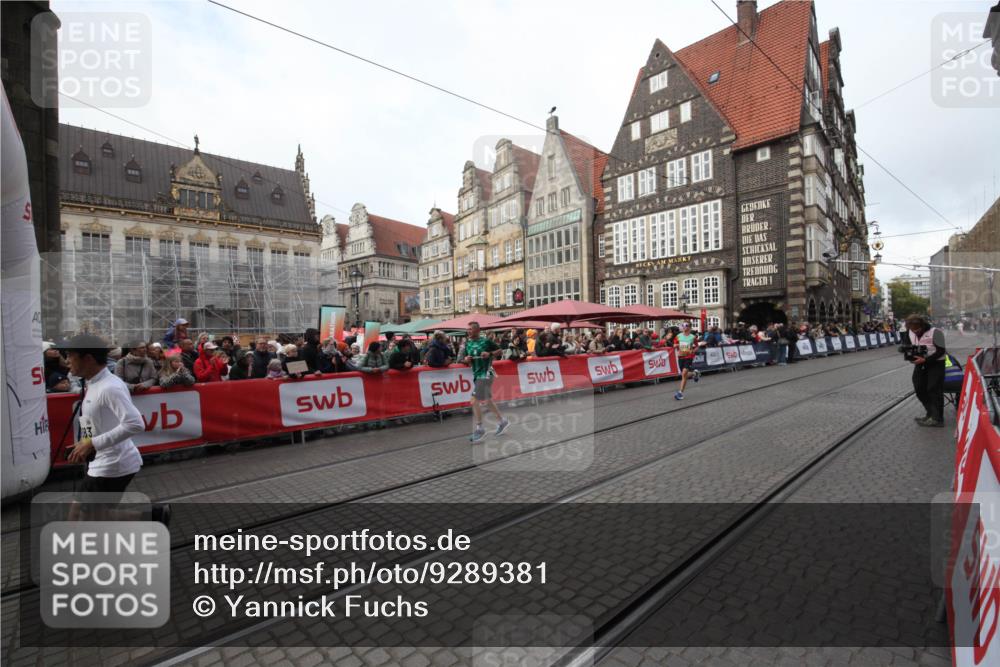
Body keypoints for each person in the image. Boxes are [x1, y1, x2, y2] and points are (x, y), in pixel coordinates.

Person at [59, 333, 166, 523]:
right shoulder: (92, 383)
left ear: (88, 358)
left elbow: (135, 424)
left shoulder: (111, 387)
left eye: (70, 355)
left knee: (79, 519)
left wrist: (92, 443)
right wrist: (84, 445)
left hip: (113, 465)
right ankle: (153, 517)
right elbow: (89, 419)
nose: (67, 361)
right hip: (103, 461)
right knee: (92, 516)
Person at [463, 321, 509, 443]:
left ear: (477, 330)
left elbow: (500, 350)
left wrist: (489, 353)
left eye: (470, 329)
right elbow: (465, 359)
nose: (468, 331)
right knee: (487, 401)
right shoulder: (468, 343)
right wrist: (466, 359)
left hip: (487, 373)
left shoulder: (486, 341)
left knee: (474, 400)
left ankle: (480, 428)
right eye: (467, 329)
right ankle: (502, 421)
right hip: (478, 374)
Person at [905, 314, 947, 427]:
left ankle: (937, 419)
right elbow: (909, 345)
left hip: (936, 363)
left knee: (933, 389)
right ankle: (930, 413)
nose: (915, 332)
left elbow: (941, 351)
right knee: (919, 388)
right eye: (912, 330)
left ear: (922, 325)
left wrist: (925, 360)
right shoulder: (910, 332)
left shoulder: (936, 332)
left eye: (917, 329)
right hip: (921, 363)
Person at [673, 322, 701, 401]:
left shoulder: (693, 337)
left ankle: (680, 393)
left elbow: (697, 346)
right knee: (684, 374)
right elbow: (674, 345)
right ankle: (695, 373)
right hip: (680, 356)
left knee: (684, 373)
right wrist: (678, 345)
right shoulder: (678, 336)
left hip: (689, 357)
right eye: (683, 325)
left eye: (686, 325)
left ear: (689, 328)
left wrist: (693, 351)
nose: (684, 327)